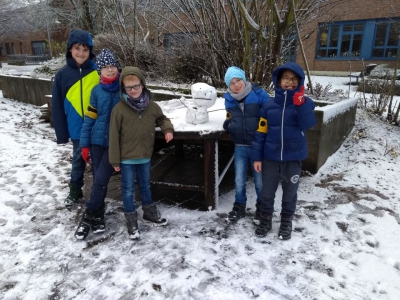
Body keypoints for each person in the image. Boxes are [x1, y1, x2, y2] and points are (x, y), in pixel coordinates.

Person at [251, 62, 316, 240]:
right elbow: (260, 132)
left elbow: (309, 124)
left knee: (289, 193)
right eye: (286, 78)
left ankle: (286, 221)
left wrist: (300, 105)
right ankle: (265, 220)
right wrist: (257, 157)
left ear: (300, 82)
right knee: (267, 193)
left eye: (294, 79)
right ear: (278, 81)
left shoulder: (306, 103)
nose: (290, 82)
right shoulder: (268, 106)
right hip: (270, 158)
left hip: (293, 158)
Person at [109, 66, 174, 240]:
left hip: (145, 155)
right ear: (124, 88)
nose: (133, 90)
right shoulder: (119, 109)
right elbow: (113, 136)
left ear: (143, 85)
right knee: (128, 189)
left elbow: (162, 118)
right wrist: (115, 160)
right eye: (129, 88)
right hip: (126, 158)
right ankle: (131, 220)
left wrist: (167, 129)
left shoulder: (152, 106)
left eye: (136, 86)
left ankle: (149, 213)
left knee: (145, 185)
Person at [74, 48, 122, 240]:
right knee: (98, 182)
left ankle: (87, 217)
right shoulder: (96, 91)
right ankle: (98, 216)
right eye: (105, 67)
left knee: (100, 180)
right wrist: (84, 145)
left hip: (114, 144)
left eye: (113, 66)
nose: (110, 70)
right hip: (95, 142)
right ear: (99, 72)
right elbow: (89, 120)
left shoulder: (124, 90)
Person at [52, 29, 99, 207]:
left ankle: (98, 190)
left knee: (98, 160)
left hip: (96, 127)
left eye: (85, 49)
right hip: (76, 128)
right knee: (78, 159)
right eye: (77, 48)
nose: (81, 53)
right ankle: (75, 189)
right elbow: (56, 106)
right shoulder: (62, 75)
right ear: (70, 49)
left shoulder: (97, 72)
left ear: (91, 51)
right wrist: (62, 134)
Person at [222, 66, 270, 224]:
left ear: (244, 79)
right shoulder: (229, 99)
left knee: (259, 181)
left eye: (238, 80)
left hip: (258, 146)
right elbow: (230, 117)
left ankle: (262, 208)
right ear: (228, 86)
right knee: (239, 179)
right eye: (232, 83)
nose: (236, 85)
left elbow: (271, 112)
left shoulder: (258, 94)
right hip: (240, 147)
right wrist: (228, 125)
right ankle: (239, 206)